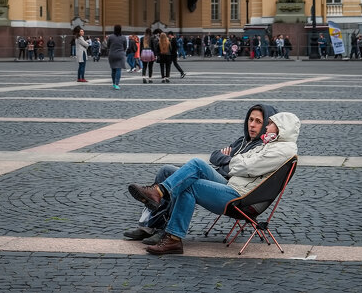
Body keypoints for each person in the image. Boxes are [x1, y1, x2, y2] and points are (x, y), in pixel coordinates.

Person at [128, 109, 300, 255]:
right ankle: (158, 195)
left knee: (189, 185)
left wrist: (231, 159)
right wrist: (234, 161)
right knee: (197, 163)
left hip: (240, 196)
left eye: (269, 123)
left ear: (281, 128)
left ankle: (172, 235)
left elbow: (246, 167)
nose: (266, 126)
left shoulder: (282, 149)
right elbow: (239, 162)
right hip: (234, 184)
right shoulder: (271, 145)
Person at [107, 24, 127, 90]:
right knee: (118, 69)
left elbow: (108, 45)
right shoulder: (123, 37)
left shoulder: (111, 37)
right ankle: (117, 84)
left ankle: (113, 83)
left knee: (113, 69)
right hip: (120, 54)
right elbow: (125, 47)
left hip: (112, 54)